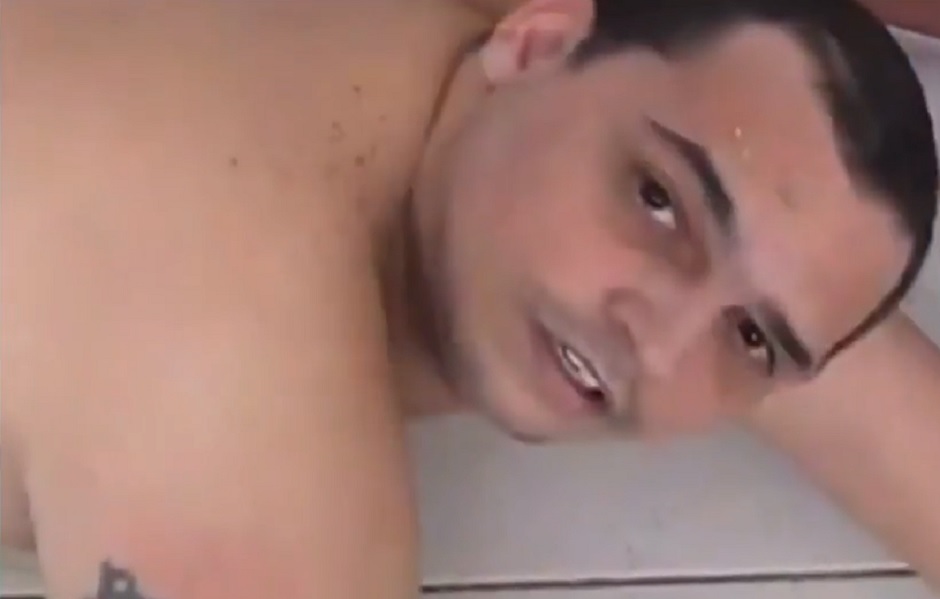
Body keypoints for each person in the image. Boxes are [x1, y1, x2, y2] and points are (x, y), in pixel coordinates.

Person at [2, 0, 938, 597]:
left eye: (752, 338)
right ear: (537, 42)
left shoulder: (533, 74)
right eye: (659, 201)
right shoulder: (237, 398)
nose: (659, 348)